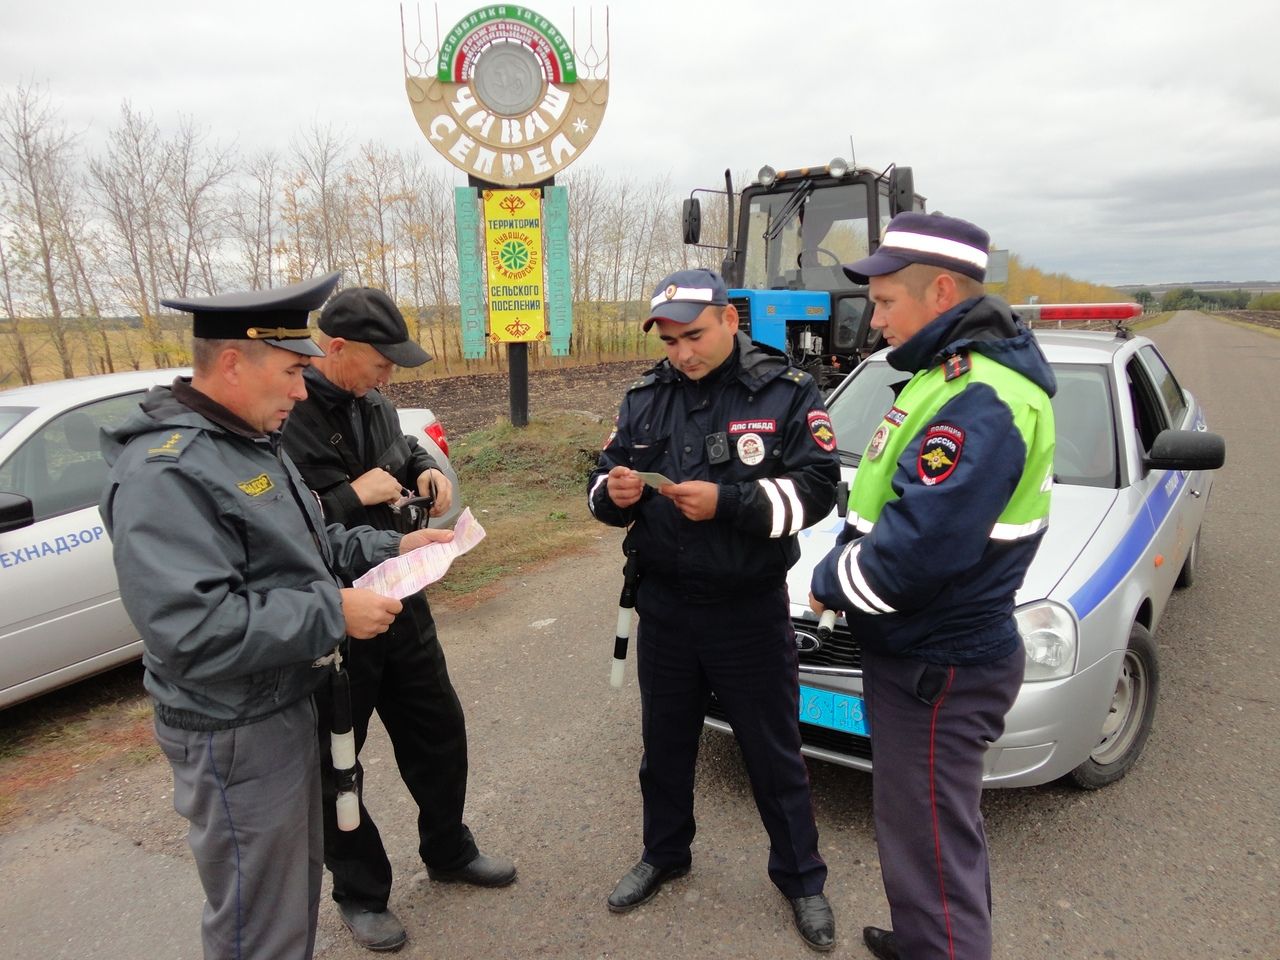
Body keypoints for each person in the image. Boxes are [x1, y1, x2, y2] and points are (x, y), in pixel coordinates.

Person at [100, 272, 456, 960]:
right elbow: (191, 631)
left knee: (286, 906)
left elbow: (313, 545)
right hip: (235, 730)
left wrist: (397, 544)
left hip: (280, 700)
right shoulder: (166, 472)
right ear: (234, 362)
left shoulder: (246, 445)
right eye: (294, 370)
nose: (303, 388)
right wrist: (333, 612)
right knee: (258, 922)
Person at [808, 213, 1056, 960]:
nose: (874, 320)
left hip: (938, 662)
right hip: (921, 656)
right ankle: (926, 938)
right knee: (924, 832)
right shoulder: (944, 378)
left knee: (934, 848)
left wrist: (828, 581)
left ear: (942, 291)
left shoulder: (982, 398)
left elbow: (914, 556)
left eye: (886, 302)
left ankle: (941, 944)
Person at [587, 268, 841, 952]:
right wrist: (616, 494)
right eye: (669, 340)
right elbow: (598, 487)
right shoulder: (645, 396)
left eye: (693, 335)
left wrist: (731, 503)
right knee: (664, 748)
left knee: (773, 753)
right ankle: (665, 854)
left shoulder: (786, 391)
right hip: (666, 610)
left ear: (731, 320)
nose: (681, 352)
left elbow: (819, 491)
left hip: (748, 612)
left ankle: (801, 879)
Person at [281, 286, 515, 952]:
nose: (390, 377)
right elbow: (284, 526)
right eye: (381, 362)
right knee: (339, 764)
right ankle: (360, 892)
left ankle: (449, 847)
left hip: (402, 597)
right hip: (336, 617)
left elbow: (402, 449)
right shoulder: (288, 417)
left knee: (439, 729)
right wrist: (350, 495)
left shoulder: (374, 401)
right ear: (337, 349)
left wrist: (426, 470)